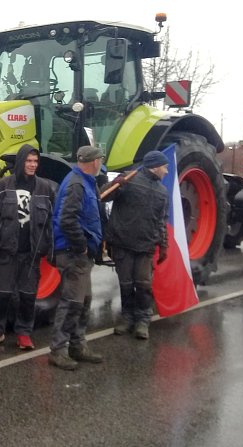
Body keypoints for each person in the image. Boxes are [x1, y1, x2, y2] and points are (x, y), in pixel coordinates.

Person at [0, 144, 56, 350]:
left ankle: (24, 333)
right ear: (21, 162)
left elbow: (51, 222)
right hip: (7, 251)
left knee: (28, 295)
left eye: (35, 161)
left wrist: (49, 249)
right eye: (29, 161)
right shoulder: (4, 185)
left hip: (31, 253)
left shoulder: (45, 188)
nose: (32, 165)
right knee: (1, 293)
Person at [49, 145, 105, 371]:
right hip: (73, 254)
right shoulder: (76, 184)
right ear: (94, 162)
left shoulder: (85, 182)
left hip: (81, 255)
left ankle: (78, 345)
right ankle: (58, 350)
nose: (101, 163)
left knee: (84, 300)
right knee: (72, 302)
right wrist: (81, 246)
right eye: (100, 159)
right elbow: (66, 219)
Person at [103, 150, 169, 340]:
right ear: (155, 166)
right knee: (125, 284)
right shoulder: (128, 180)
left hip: (146, 246)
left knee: (143, 285)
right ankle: (127, 318)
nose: (166, 171)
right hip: (123, 243)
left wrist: (163, 245)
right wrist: (115, 184)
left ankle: (143, 320)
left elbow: (160, 221)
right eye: (164, 167)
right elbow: (103, 196)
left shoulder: (162, 192)